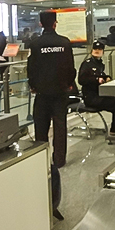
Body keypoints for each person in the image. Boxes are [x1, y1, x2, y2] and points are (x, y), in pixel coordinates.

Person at [27, 11, 76, 168]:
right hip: (61, 92)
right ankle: (59, 160)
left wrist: (33, 86)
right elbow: (70, 67)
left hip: (42, 93)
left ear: (41, 24)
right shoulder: (65, 43)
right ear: (55, 23)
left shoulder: (35, 45)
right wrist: (69, 84)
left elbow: (31, 68)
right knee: (60, 126)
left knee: (41, 127)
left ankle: (42, 159)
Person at [79, 41, 115, 135]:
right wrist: (97, 80)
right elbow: (82, 80)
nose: (97, 51)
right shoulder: (87, 64)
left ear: (103, 52)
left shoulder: (99, 64)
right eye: (95, 49)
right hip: (91, 97)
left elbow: (101, 75)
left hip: (99, 94)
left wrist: (106, 77)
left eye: (99, 49)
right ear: (91, 50)